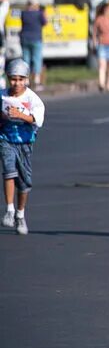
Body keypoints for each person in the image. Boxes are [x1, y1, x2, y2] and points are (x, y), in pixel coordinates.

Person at [0, 59, 45, 236]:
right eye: (13, 79)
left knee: (24, 183)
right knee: (9, 171)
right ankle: (10, 210)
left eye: (20, 79)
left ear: (26, 79)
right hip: (6, 140)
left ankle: (20, 214)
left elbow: (38, 120)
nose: (16, 83)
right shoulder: (2, 96)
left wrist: (20, 114)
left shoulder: (32, 98)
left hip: (25, 143)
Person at [92, 2, 109, 92]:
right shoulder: (99, 19)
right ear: (105, 10)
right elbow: (94, 33)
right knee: (102, 65)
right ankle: (101, 83)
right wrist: (94, 44)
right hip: (102, 44)